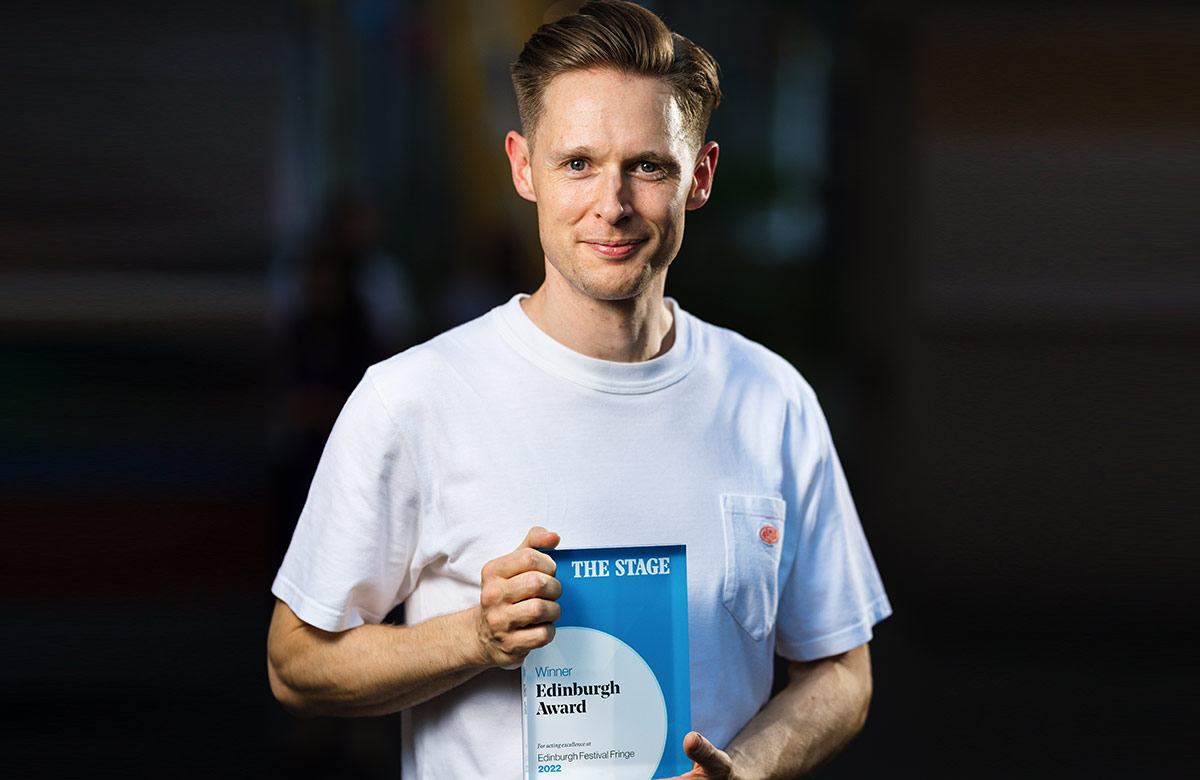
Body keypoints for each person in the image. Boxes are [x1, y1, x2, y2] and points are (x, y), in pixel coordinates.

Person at [267, 2, 891, 778]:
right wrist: (475, 637)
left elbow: (841, 669)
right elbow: (295, 663)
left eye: (648, 166)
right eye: (578, 163)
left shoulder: (772, 400)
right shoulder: (413, 399)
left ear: (699, 176)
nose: (613, 204)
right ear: (524, 167)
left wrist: (755, 766)